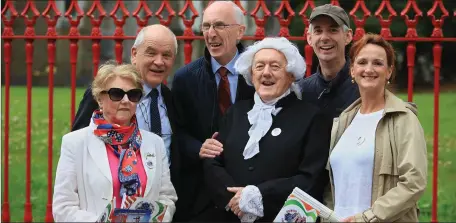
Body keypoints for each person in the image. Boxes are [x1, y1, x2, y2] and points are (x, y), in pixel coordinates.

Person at [201, 37, 332, 222]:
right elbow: (213, 161)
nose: (266, 73)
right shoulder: (235, 112)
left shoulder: (312, 118)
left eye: (275, 66)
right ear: (251, 74)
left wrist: (259, 194)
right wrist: (235, 201)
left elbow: (312, 178)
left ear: (291, 75)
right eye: (259, 66)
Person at [70, 24, 183, 212]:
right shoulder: (104, 95)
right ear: (134, 53)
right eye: (151, 53)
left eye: (167, 55)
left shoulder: (172, 100)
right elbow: (79, 153)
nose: (159, 62)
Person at [52, 63, 177, 222]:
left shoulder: (155, 143)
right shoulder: (75, 143)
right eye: (117, 94)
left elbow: (166, 197)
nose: (126, 100)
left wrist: (154, 219)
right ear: (99, 99)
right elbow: (63, 207)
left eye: (133, 95)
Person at [326, 34, 427, 222]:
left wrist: (367, 217)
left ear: (389, 71)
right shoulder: (344, 121)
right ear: (352, 70)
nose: (369, 69)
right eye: (362, 62)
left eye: (378, 63)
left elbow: (414, 183)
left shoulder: (403, 119)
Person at [172, 1, 255, 220]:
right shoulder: (185, 78)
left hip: (250, 188)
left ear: (240, 31)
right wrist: (198, 147)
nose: (211, 33)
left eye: (219, 25)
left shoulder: (260, 73)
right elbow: (176, 131)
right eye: (206, 26)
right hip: (201, 195)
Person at [299, 4, 360, 118]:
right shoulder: (301, 91)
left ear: (348, 36)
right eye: (318, 31)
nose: (325, 38)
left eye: (333, 30)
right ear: (309, 38)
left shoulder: (363, 87)